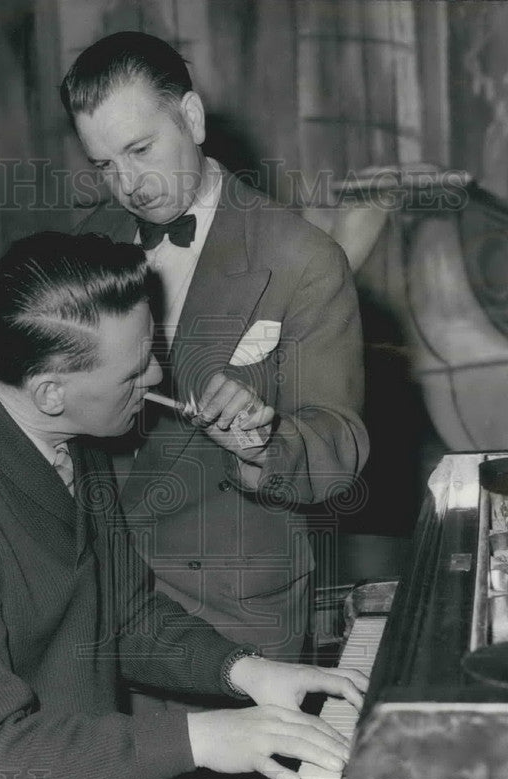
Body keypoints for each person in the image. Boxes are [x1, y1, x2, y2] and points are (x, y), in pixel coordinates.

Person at [0, 232, 367, 779]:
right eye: (135, 370)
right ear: (52, 391)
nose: (158, 380)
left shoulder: (58, 430)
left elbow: (126, 614)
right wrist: (203, 736)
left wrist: (247, 673)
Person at [61, 32, 368, 661]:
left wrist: (264, 441)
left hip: (232, 611)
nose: (128, 184)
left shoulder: (302, 258)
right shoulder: (88, 244)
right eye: (104, 164)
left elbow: (337, 449)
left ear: (193, 119)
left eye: (141, 149)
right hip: (98, 598)